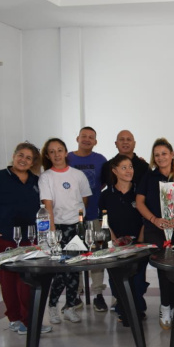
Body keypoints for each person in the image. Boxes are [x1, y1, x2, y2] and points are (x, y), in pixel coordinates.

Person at [0, 142, 51, 335]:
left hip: (28, 239)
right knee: (8, 279)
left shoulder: (35, 181)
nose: (23, 160)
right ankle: (16, 319)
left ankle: (29, 319)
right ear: (14, 156)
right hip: (2, 237)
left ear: (33, 162)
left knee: (27, 280)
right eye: (21, 155)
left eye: (28, 158)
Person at [136, 138, 174, 330]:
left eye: (164, 153)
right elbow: (140, 203)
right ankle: (165, 306)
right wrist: (154, 220)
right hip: (156, 230)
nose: (160, 157)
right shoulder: (148, 177)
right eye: (157, 155)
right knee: (165, 268)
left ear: (171, 154)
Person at [39, 138, 92, 325]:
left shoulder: (78, 175)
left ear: (66, 152)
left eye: (60, 150)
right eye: (52, 151)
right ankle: (53, 305)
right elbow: (47, 205)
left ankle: (70, 306)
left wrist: (77, 219)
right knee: (61, 271)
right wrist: (52, 231)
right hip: (58, 228)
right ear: (47, 156)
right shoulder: (46, 177)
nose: (56, 154)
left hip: (77, 227)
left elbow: (84, 199)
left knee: (74, 269)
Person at [98, 154, 148, 324]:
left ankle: (137, 309)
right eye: (124, 167)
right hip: (116, 245)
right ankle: (124, 310)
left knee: (138, 280)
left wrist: (140, 242)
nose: (129, 171)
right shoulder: (106, 195)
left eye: (131, 167)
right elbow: (104, 221)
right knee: (117, 279)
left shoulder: (140, 193)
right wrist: (115, 242)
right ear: (115, 171)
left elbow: (145, 218)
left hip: (138, 244)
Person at [67, 126, 109, 312]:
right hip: (71, 217)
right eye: (84, 136)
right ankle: (76, 294)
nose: (87, 139)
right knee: (74, 255)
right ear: (77, 138)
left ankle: (98, 294)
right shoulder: (68, 158)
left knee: (97, 255)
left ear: (95, 141)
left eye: (91, 137)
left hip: (94, 214)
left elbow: (105, 181)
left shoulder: (100, 160)